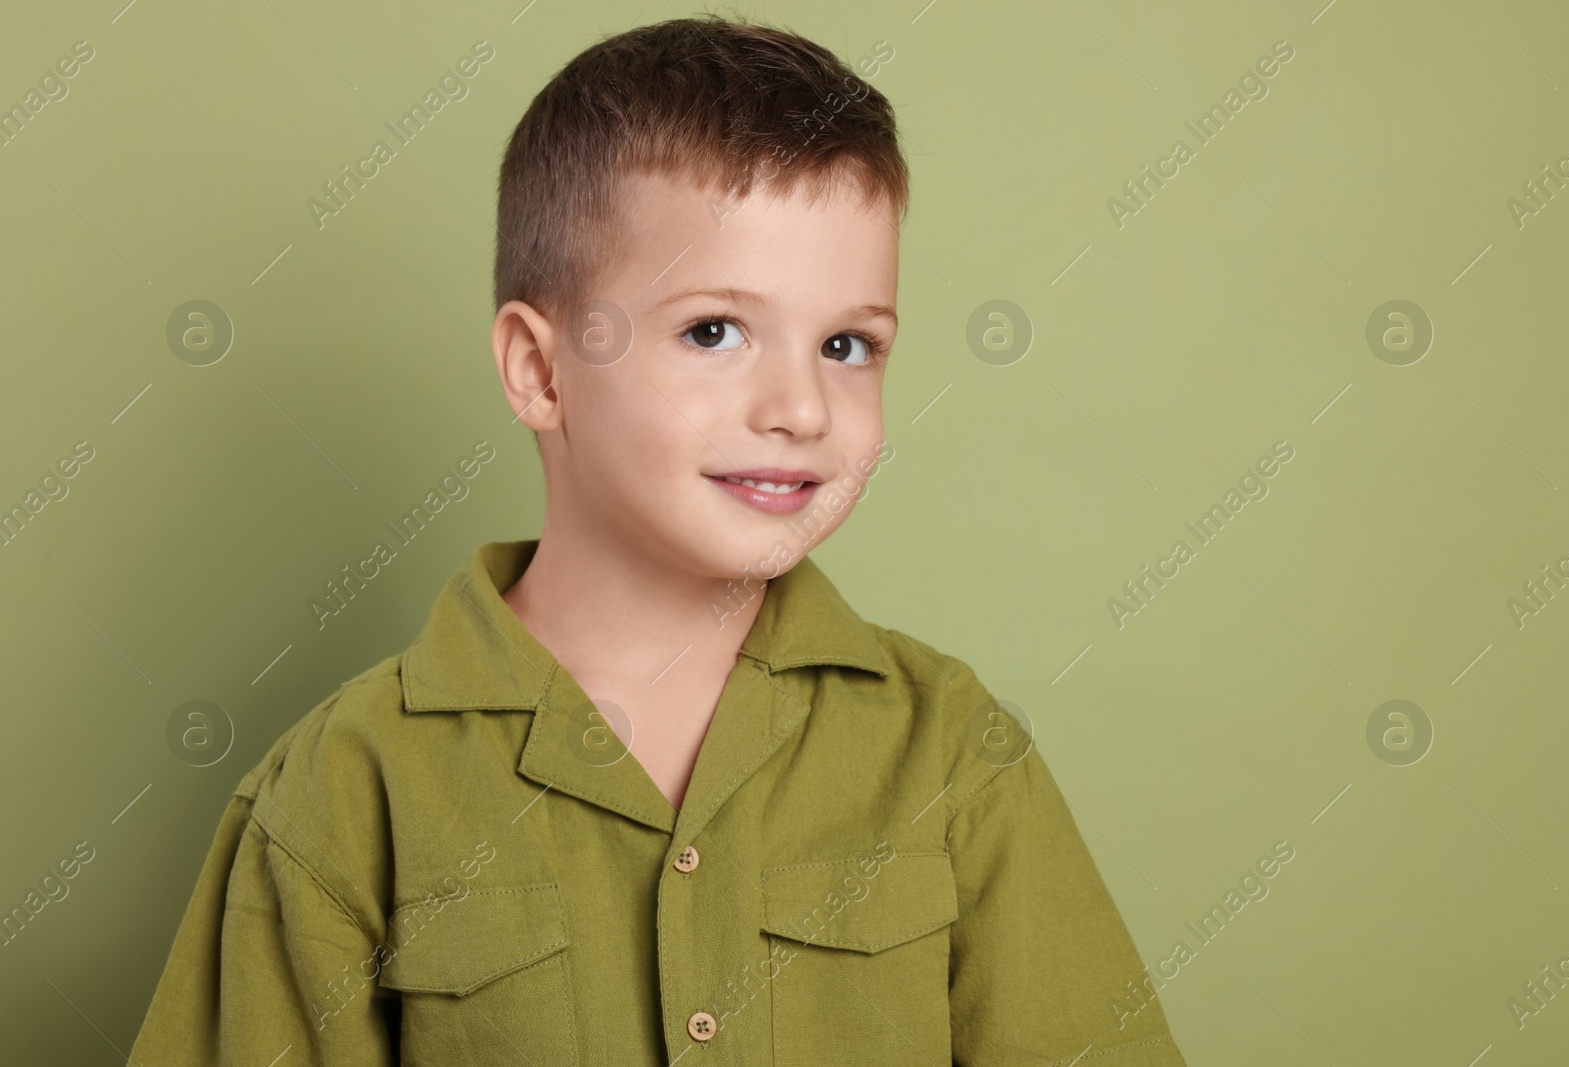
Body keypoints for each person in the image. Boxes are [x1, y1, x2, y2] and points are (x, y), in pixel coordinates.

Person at [129, 14, 1187, 1065]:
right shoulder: (343, 786)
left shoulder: (952, 751)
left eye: (848, 344)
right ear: (540, 372)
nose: (801, 407)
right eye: (713, 331)